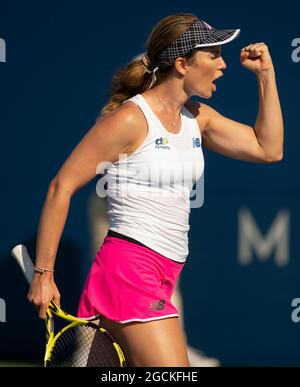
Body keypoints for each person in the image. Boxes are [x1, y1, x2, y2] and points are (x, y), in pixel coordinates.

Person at [28, 13, 284, 367]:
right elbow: (61, 186)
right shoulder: (130, 120)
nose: (224, 65)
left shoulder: (200, 118)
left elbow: (268, 149)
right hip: (129, 272)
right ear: (182, 64)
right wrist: (44, 274)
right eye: (214, 56)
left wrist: (266, 76)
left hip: (163, 273)